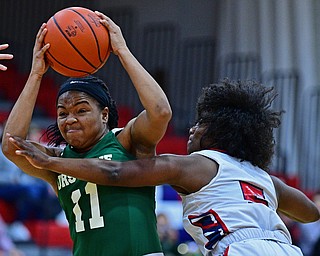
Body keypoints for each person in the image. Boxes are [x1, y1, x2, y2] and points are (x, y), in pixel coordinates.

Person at [8, 79, 320, 256]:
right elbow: (310, 212)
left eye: (200, 124)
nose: (191, 129)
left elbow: (117, 172)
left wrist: (52, 161)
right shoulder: (265, 178)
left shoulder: (192, 166)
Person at [2, 11, 172, 256]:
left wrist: (122, 51)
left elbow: (160, 111)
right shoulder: (57, 160)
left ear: (104, 114)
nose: (70, 118)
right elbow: (11, 145)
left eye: (81, 110)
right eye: (62, 113)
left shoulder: (127, 142)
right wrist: (36, 75)